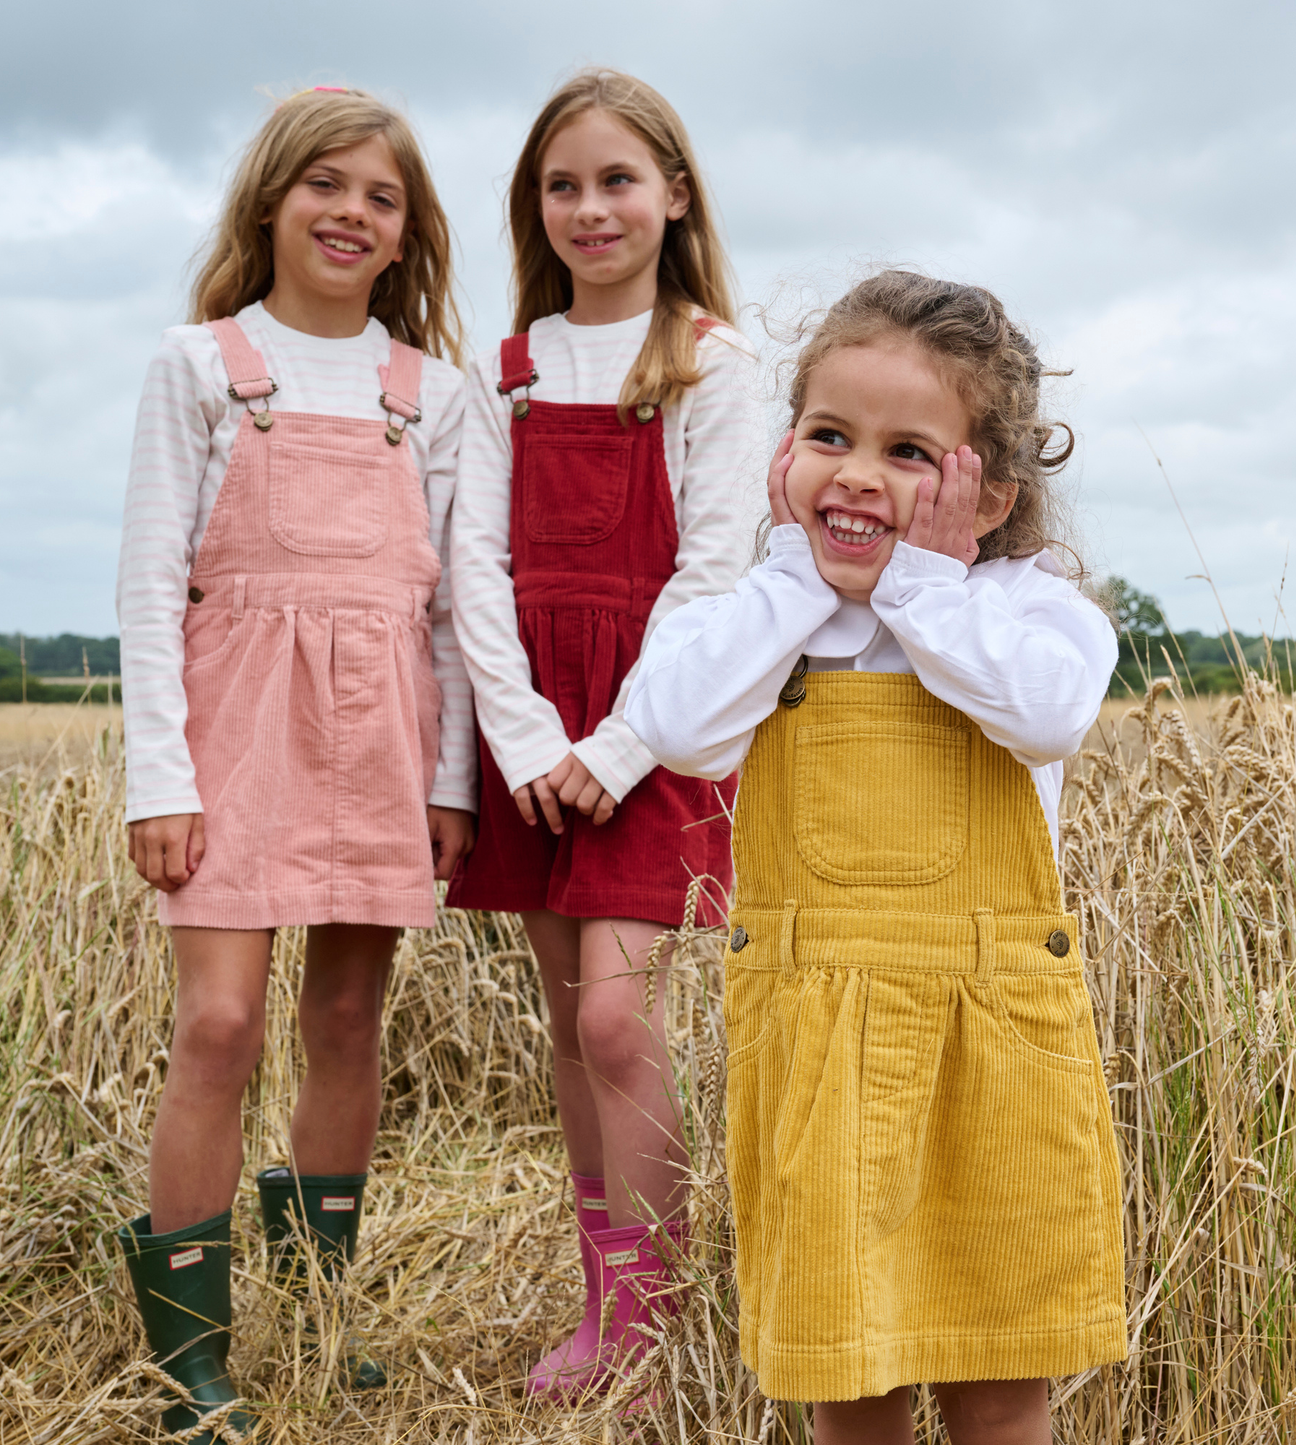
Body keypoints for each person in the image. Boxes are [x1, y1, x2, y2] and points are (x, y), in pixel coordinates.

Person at [626, 270, 1126, 1445]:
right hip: (815, 1034)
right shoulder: (764, 611)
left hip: (988, 1033)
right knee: (844, 1368)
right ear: (783, 452)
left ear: (988, 493)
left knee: (1000, 1366)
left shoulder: (1024, 607)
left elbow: (1046, 713)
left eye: (908, 452)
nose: (855, 472)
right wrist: (802, 572)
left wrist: (917, 585)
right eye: (827, 436)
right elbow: (678, 722)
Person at [114, 87, 475, 1439]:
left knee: (342, 1023)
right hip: (235, 728)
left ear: (404, 236)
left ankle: (322, 1310)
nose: (350, 212)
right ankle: (189, 1349)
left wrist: (451, 785)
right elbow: (152, 584)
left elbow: (450, 611)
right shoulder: (200, 363)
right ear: (271, 201)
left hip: (381, 728)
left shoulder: (427, 393)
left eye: (380, 198)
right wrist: (163, 776)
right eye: (325, 184)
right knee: (216, 1024)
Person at [447, 68, 757, 1398]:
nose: (590, 207)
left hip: (658, 726)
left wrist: (619, 747)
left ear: (673, 196)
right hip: (530, 733)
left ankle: (654, 1310)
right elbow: (470, 570)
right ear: (536, 208)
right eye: (561, 186)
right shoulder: (504, 373)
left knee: (624, 1022)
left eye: (618, 179)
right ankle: (604, 1297)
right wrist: (523, 745)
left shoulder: (714, 365)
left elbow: (716, 570)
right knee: (570, 1023)